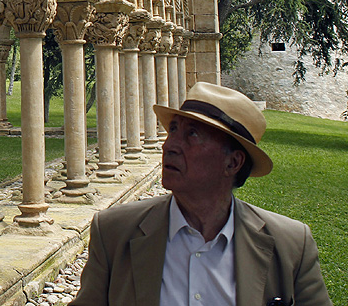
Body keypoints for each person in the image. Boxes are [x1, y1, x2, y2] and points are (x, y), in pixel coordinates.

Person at [71, 82, 332, 306]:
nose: (169, 145)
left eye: (192, 134)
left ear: (233, 163)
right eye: (173, 129)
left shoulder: (291, 245)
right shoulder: (114, 232)